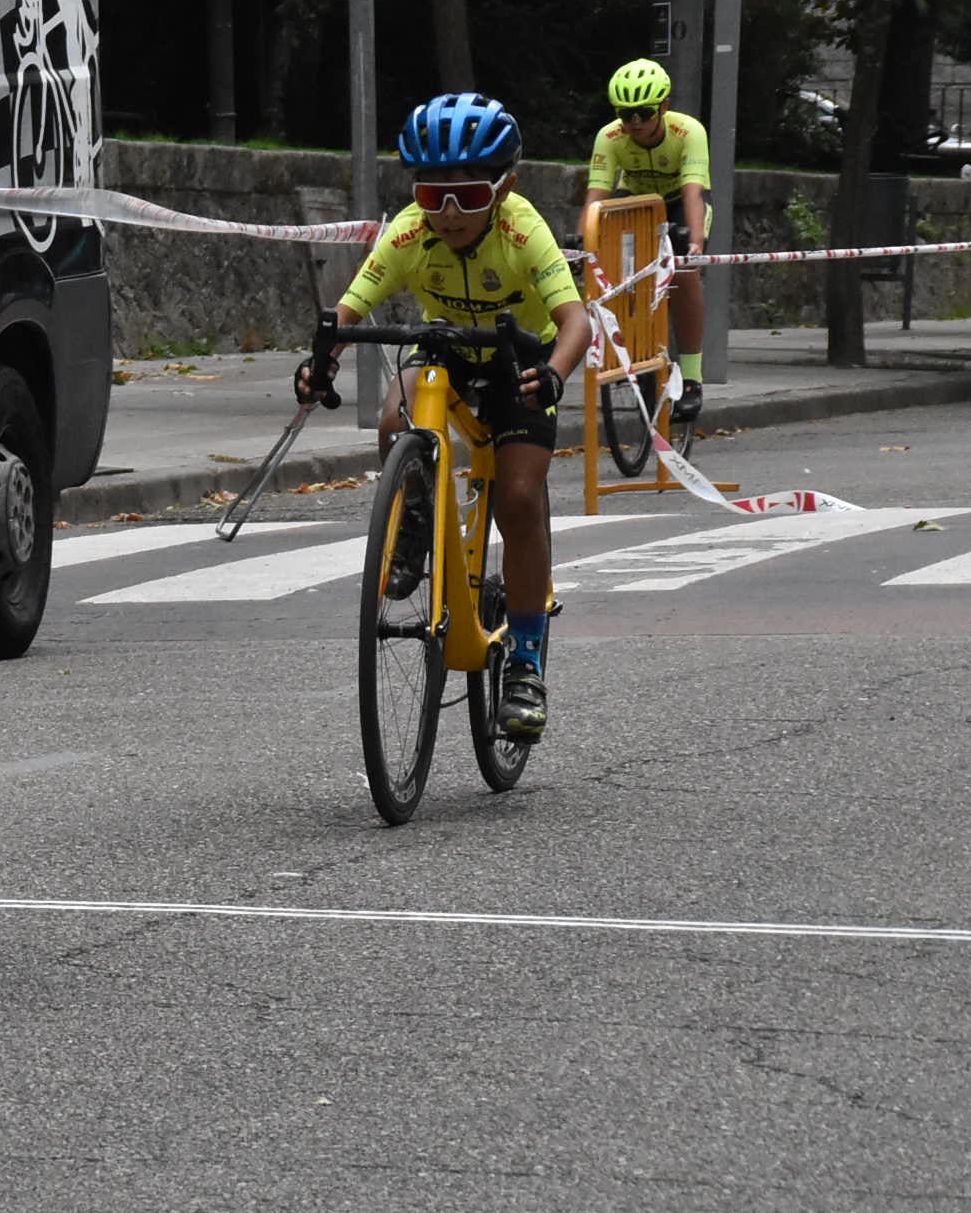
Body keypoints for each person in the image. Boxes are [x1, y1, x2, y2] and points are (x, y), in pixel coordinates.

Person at [304, 92, 592, 741]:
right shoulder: (410, 232)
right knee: (392, 421)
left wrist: (553, 373)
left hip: (522, 358)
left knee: (519, 498)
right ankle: (413, 521)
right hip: (449, 347)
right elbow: (349, 310)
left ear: (504, 186)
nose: (450, 213)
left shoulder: (523, 230)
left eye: (467, 196)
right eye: (433, 196)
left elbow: (577, 320)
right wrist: (319, 361)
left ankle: (524, 662)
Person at [581, 57, 712, 421]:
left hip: (679, 204)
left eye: (644, 113)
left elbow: (692, 192)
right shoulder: (610, 137)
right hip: (636, 203)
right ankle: (637, 352)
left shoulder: (689, 132)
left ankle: (692, 378)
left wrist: (695, 244)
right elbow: (596, 197)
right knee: (620, 271)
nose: (635, 122)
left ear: (664, 106)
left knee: (684, 275)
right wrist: (584, 243)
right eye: (626, 115)